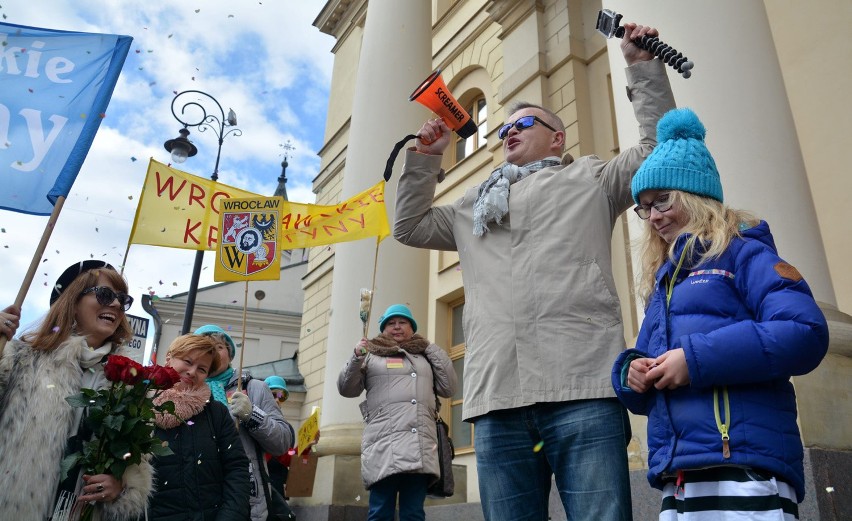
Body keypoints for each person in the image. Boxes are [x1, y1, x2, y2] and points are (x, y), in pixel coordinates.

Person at [393, 22, 675, 521]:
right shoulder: (472, 206)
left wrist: (640, 67)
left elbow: (658, 153)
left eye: (521, 124)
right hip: (497, 396)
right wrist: (425, 160)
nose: (508, 134)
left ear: (555, 138)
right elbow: (409, 227)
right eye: (502, 129)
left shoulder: (590, 177)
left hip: (582, 386)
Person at [611, 107, 829, 520]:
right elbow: (651, 364)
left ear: (695, 195)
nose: (653, 216)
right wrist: (632, 374)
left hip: (743, 468)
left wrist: (693, 361)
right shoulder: (663, 281)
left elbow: (805, 332)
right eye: (644, 206)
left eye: (662, 200)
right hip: (681, 475)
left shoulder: (746, 254)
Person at [0, 260, 153, 519]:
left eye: (122, 299)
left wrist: (121, 487)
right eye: (105, 295)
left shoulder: (130, 381)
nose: (115, 304)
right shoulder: (21, 358)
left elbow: (139, 462)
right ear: (73, 300)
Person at [337, 304, 457, 521]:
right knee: (380, 512)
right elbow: (347, 389)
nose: (397, 327)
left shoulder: (425, 356)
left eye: (403, 322)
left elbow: (449, 387)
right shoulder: (371, 354)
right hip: (384, 444)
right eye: (391, 323)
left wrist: (429, 347)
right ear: (383, 329)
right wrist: (356, 356)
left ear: (412, 328)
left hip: (419, 446)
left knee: (413, 513)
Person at [196, 324, 296, 521]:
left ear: (230, 354)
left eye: (219, 347)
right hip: (200, 497)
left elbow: (282, 443)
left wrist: (252, 415)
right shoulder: (187, 390)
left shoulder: (254, 388)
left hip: (246, 500)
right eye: (206, 348)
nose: (213, 353)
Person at [148, 333, 250, 520]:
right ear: (169, 358)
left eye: (202, 369)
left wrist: (230, 517)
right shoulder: (138, 404)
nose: (193, 371)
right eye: (187, 361)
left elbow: (237, 467)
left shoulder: (215, 412)